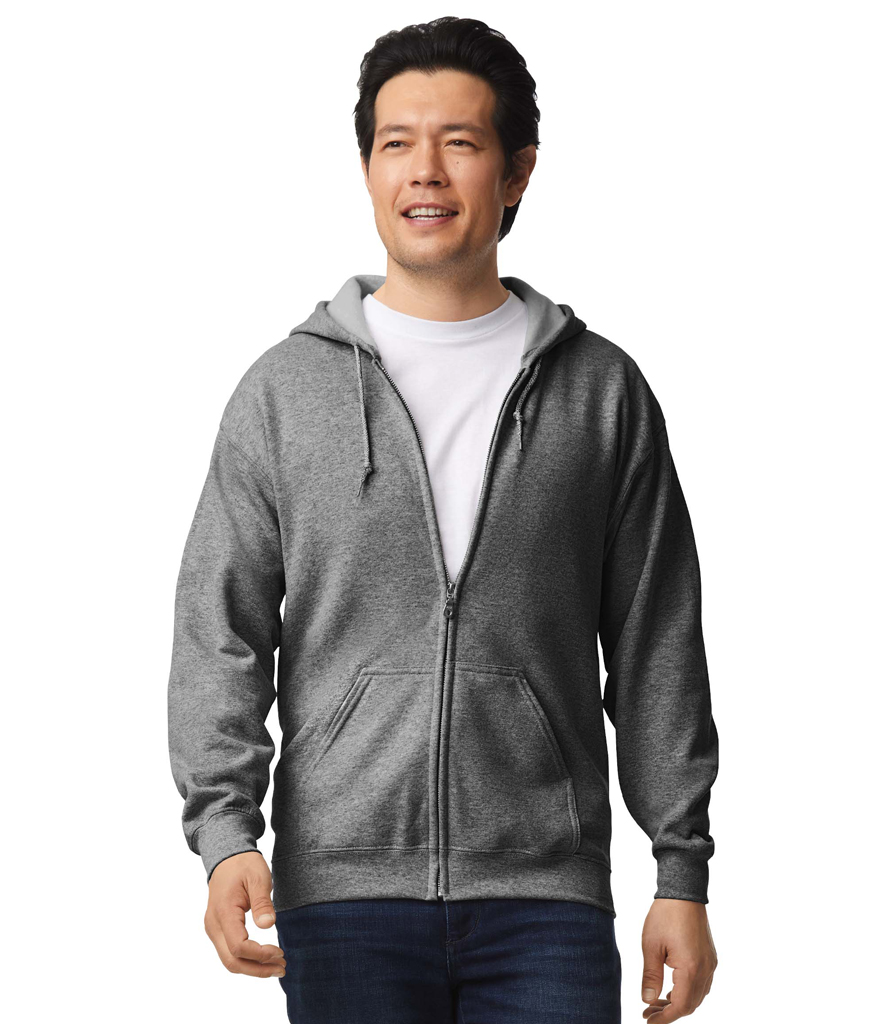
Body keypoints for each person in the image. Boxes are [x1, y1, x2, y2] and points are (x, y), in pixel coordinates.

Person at [167, 16, 719, 1024]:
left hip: (547, 899)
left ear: (517, 171)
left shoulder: (601, 394)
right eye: (396, 143)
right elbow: (221, 629)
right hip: (342, 894)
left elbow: (657, 642)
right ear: (368, 168)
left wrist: (680, 871)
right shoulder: (283, 394)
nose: (424, 170)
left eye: (459, 142)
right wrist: (225, 834)